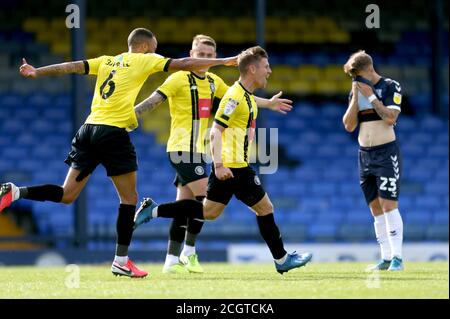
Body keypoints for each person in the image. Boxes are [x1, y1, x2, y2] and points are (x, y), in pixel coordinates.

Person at [0, 28, 237, 278]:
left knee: (67, 194)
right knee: (129, 199)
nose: (156, 54)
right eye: (154, 49)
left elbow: (70, 66)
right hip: (113, 135)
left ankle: (16, 191)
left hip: (88, 129)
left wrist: (37, 71)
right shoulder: (145, 59)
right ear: (145, 47)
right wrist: (223, 61)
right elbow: (185, 64)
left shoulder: (106, 61)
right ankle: (121, 260)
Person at [134, 46, 312, 274]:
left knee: (215, 212)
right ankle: (281, 259)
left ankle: (155, 211)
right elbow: (215, 131)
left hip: (238, 166)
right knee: (252, 208)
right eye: (266, 67)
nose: (269, 71)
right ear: (252, 69)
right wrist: (218, 165)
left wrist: (268, 104)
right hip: (230, 167)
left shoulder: (244, 95)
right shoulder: (234, 97)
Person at [342, 50, 404, 271]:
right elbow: (349, 126)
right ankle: (386, 258)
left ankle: (398, 257)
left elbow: (390, 118)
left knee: (389, 204)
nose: (355, 80)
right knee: (375, 208)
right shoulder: (357, 91)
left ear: (368, 70)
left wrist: (370, 97)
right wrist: (355, 98)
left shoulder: (390, 86)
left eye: (357, 75)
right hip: (364, 155)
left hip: (386, 153)